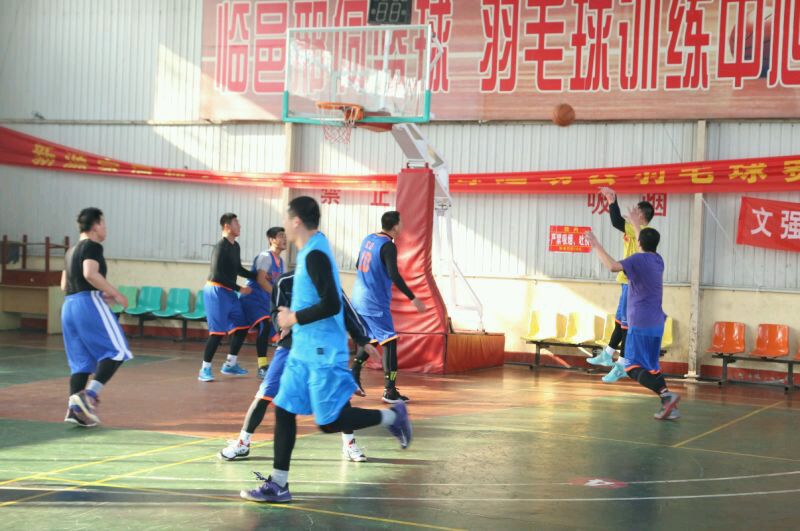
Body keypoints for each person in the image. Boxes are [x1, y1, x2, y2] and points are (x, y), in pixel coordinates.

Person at [240, 197, 412, 504]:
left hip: (323, 352)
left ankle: (392, 416)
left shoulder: (316, 254)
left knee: (330, 421)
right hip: (302, 351)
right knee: (284, 409)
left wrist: (293, 318)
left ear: (296, 221)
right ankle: (278, 484)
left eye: (287, 218)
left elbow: (333, 302)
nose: (284, 225)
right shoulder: (310, 250)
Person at [220, 270, 379, 462]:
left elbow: (348, 312)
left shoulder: (328, 282)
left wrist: (363, 339)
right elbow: (275, 311)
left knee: (338, 396)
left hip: (320, 348)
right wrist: (282, 325)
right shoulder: (285, 281)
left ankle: (349, 445)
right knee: (265, 394)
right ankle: (242, 443)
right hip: (291, 347)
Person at [587, 226, 680, 420]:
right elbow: (644, 244)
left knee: (630, 367)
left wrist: (596, 245)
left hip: (641, 323)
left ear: (638, 243)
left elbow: (613, 266)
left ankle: (666, 396)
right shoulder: (658, 260)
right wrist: (637, 225)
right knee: (652, 367)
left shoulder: (637, 260)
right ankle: (668, 405)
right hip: (657, 323)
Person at [60, 207, 133, 427]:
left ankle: (74, 411)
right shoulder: (92, 246)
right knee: (118, 351)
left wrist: (98, 292)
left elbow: (64, 284)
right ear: (95, 225)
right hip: (87, 303)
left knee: (81, 363)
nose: (105, 229)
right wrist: (115, 293)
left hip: (69, 306)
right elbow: (90, 273)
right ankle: (89, 395)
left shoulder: (70, 251)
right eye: (104, 224)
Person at [350, 211, 427, 403]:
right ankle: (389, 391)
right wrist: (413, 298)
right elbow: (394, 275)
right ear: (395, 226)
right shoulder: (388, 246)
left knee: (373, 338)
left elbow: (358, 264)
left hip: (358, 298)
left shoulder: (369, 239)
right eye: (401, 223)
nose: (402, 226)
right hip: (374, 302)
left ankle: (354, 374)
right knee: (390, 342)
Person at [588, 188, 654, 384]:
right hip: (626, 281)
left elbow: (617, 222)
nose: (631, 213)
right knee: (619, 320)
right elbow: (617, 221)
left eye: (636, 212)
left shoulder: (643, 232)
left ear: (642, 217)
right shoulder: (634, 229)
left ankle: (623, 364)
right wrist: (612, 201)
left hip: (633, 284)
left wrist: (612, 200)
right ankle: (608, 353)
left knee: (626, 324)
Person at [198, 213, 256, 382]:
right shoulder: (220, 247)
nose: (240, 226)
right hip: (216, 291)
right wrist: (240, 289)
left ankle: (230, 365)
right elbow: (217, 275)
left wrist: (257, 276)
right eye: (236, 223)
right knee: (217, 333)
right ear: (227, 226)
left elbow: (238, 269)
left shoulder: (235, 246)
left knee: (242, 327)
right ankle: (204, 369)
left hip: (229, 292)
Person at [240, 226, 286, 379]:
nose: (285, 239)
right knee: (264, 326)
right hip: (252, 297)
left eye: (285, 236)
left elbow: (279, 284)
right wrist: (277, 295)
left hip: (265, 300)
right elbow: (261, 280)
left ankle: (230, 361)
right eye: (280, 236)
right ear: (271, 239)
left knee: (275, 329)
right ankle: (262, 367)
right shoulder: (265, 257)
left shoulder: (281, 262)